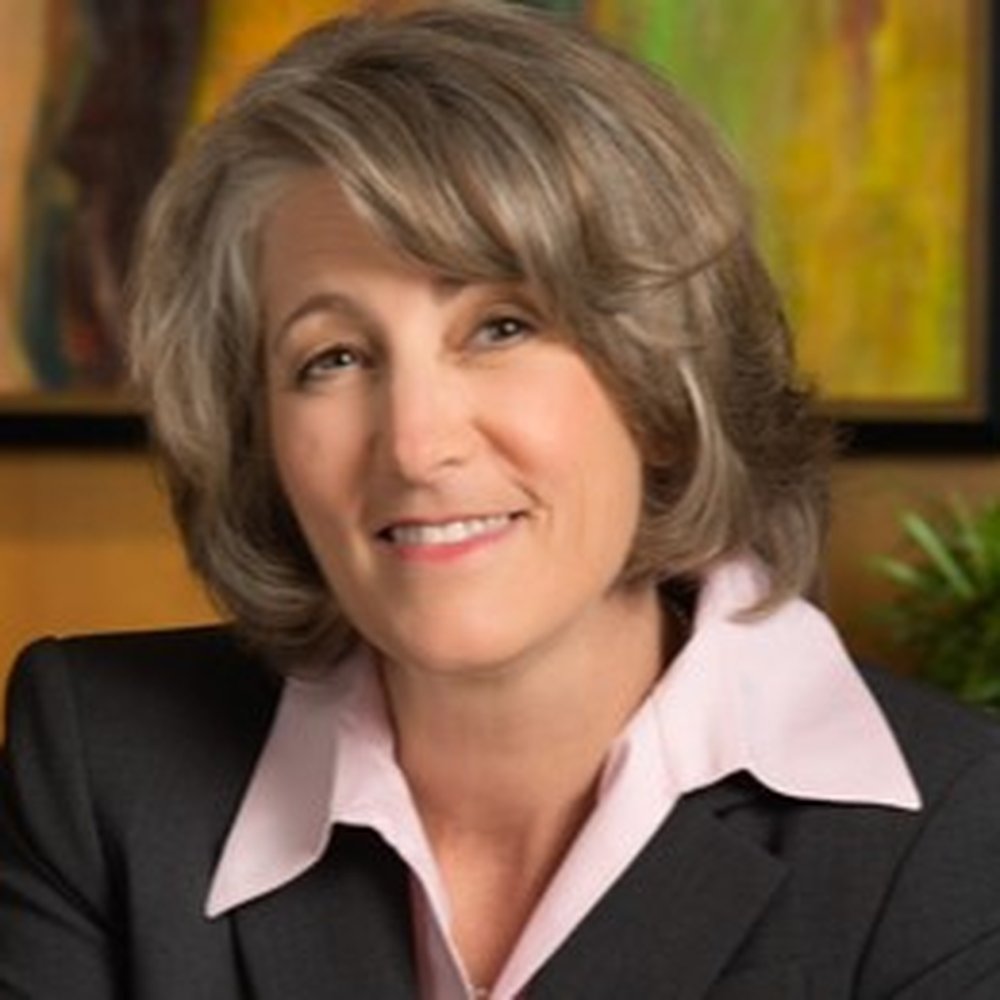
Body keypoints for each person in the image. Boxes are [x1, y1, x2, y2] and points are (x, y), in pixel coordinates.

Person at [2, 3, 1000, 997]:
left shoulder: (957, 837)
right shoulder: (103, 764)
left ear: (664, 384)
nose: (416, 443)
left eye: (502, 327)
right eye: (332, 357)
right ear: (261, 436)